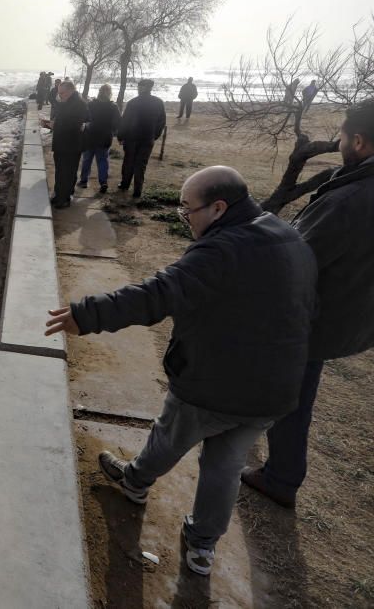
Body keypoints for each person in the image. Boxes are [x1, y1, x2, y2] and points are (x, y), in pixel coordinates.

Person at [45, 166, 317, 576]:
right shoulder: (286, 234)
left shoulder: (222, 250)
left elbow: (160, 293)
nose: (184, 217)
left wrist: (87, 314)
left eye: (188, 209)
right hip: (275, 388)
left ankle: (135, 483)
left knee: (172, 434)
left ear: (219, 207)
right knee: (225, 465)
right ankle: (202, 546)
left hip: (215, 382)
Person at [242, 99, 374, 508]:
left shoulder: (349, 200)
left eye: (340, 136)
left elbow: (297, 258)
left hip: (318, 313)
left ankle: (282, 476)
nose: (337, 143)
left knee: (292, 394)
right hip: (351, 307)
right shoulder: (353, 184)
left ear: (358, 140)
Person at [41, 80, 89, 209]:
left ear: (71, 90)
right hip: (63, 144)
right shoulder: (67, 102)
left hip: (71, 145)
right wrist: (49, 123)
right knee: (60, 171)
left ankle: (64, 199)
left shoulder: (79, 104)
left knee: (67, 172)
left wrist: (54, 125)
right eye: (59, 93)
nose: (60, 95)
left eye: (62, 93)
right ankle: (58, 195)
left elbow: (75, 126)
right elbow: (64, 120)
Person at [117, 78, 166, 198]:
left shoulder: (133, 102)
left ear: (143, 87)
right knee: (141, 164)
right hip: (147, 138)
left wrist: (120, 136)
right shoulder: (158, 102)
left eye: (139, 86)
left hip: (132, 138)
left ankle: (125, 185)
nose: (138, 88)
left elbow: (125, 121)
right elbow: (161, 122)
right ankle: (137, 190)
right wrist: (154, 136)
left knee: (129, 162)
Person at [77, 83, 120, 193]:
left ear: (99, 92)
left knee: (87, 159)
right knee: (102, 161)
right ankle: (103, 182)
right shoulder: (113, 107)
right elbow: (117, 124)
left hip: (90, 136)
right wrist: (114, 132)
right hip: (105, 137)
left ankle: (83, 181)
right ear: (110, 94)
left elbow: (84, 118)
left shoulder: (91, 104)